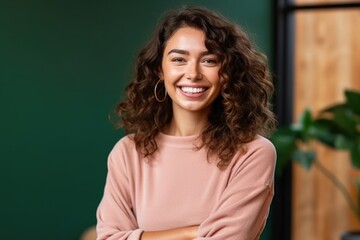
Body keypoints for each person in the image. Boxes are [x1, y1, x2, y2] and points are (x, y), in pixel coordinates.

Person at [96, 5, 276, 240]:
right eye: (179, 59)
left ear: (227, 72)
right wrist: (195, 232)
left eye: (209, 61)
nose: (193, 73)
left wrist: (138, 236)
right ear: (160, 69)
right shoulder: (128, 153)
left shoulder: (253, 153)